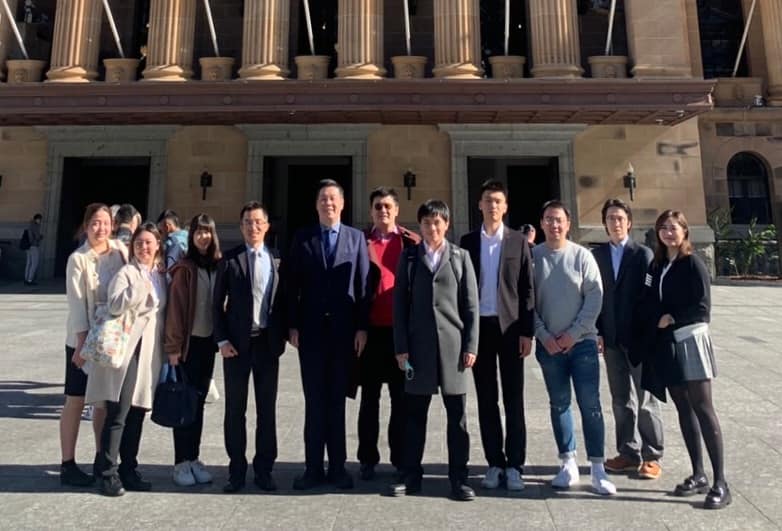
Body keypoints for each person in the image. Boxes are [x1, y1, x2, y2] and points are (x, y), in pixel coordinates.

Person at [636, 210, 730, 509]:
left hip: (691, 339)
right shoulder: (657, 265)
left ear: (685, 231)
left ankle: (720, 482)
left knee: (703, 408)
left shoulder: (693, 263)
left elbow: (702, 308)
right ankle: (698, 474)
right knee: (683, 408)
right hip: (667, 344)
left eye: (673, 227)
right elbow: (649, 298)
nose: (668, 232)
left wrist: (672, 318)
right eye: (663, 228)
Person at [390, 199, 479, 501]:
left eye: (437, 222)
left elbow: (471, 306)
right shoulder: (409, 258)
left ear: (447, 225)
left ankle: (459, 478)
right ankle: (411, 475)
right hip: (418, 349)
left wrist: (471, 345)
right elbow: (400, 305)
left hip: (454, 349)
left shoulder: (460, 257)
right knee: (414, 416)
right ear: (420, 226)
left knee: (458, 418)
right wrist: (401, 347)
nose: (432, 228)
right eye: (426, 223)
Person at [287, 179, 370, 491]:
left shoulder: (356, 238)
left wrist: (362, 327)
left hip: (343, 334)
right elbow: (290, 283)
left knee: (337, 401)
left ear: (343, 203)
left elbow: (363, 285)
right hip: (310, 333)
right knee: (314, 402)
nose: (328, 203)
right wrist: (292, 325)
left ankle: (337, 467)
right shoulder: (303, 237)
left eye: (333, 198)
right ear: (316, 204)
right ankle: (312, 468)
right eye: (323, 198)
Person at [533, 200, 616, 496]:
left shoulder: (583, 256)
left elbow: (594, 298)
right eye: (548, 219)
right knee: (559, 404)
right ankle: (567, 462)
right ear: (541, 223)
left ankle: (597, 468)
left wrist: (573, 334)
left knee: (590, 405)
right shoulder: (533, 257)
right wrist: (544, 335)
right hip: (549, 346)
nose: (554, 225)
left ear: (568, 224)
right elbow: (526, 302)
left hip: (582, 345)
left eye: (559, 219)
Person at [460, 180, 534, 491]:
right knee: (486, 398)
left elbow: (527, 288)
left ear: (505, 207)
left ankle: (515, 464)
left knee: (514, 398)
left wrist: (527, 332)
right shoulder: (467, 242)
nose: (492, 206)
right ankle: (494, 462)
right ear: (479, 205)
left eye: (498, 201)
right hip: (480, 330)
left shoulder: (518, 241)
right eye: (487, 200)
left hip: (511, 329)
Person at [88, 222, 167, 496]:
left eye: (148, 242)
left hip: (149, 352)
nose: (143, 247)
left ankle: (129, 469)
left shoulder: (160, 275)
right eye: (138, 243)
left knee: (138, 412)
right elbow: (114, 304)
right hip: (126, 350)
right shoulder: (126, 273)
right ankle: (107, 472)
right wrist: (139, 288)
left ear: (158, 245)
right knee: (119, 411)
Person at [213, 202, 287, 494]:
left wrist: (286, 334)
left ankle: (264, 470)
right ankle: (236, 470)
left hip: (267, 344)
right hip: (236, 346)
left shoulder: (277, 259)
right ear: (241, 226)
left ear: (267, 226)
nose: (252, 227)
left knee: (267, 410)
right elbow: (216, 304)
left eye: (257, 222)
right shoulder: (230, 259)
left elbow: (283, 301)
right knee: (235, 410)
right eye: (247, 222)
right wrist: (222, 340)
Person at [593, 199, 664, 480]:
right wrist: (599, 331)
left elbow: (651, 296)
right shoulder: (597, 255)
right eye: (610, 218)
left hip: (638, 340)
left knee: (646, 399)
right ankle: (628, 452)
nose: (615, 223)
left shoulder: (642, 254)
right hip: (611, 339)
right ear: (605, 224)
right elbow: (595, 296)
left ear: (629, 222)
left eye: (620, 218)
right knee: (620, 399)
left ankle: (652, 455)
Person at [357, 187, 420, 481]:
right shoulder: (360, 242)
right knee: (369, 399)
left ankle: (400, 458)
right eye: (378, 206)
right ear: (371, 211)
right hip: (371, 333)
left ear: (396, 210)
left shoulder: (410, 242)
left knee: (400, 399)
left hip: (401, 334)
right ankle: (367, 459)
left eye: (387, 206)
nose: (383, 211)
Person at [60, 204, 122, 486]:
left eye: (106, 223)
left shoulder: (119, 252)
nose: (101, 228)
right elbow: (75, 303)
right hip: (81, 340)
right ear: (86, 226)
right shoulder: (78, 259)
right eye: (95, 223)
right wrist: (82, 343)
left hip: (109, 340)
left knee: (103, 402)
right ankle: (68, 463)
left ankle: (101, 457)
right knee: (75, 399)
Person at [164, 214, 222, 487]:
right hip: (187, 346)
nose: (203, 237)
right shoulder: (184, 269)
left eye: (207, 232)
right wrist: (173, 347)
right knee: (183, 403)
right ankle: (180, 462)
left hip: (207, 344)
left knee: (198, 403)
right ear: (191, 236)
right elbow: (175, 310)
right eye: (198, 232)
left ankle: (194, 457)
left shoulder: (216, 266)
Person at [24, 213, 44, 285]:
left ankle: (26, 279)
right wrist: (41, 237)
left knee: (28, 263)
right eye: (40, 219)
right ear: (37, 219)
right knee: (34, 263)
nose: (40, 221)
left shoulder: (29, 225)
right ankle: (30, 279)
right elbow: (37, 236)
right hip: (33, 246)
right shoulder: (35, 226)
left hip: (28, 246)